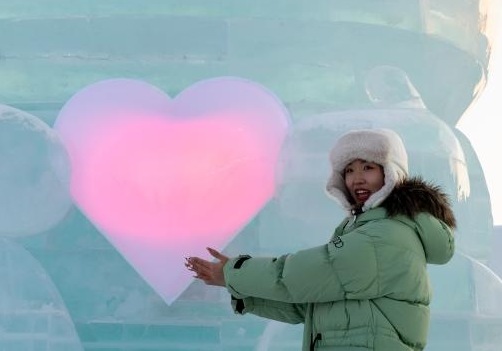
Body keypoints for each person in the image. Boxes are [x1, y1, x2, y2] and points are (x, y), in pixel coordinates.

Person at [185, 128, 456, 351]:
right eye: (349, 170)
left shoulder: (386, 235)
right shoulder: (366, 230)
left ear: (391, 173)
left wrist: (235, 272)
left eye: (368, 167)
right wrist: (241, 290)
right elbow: (312, 304)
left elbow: (302, 276)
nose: (357, 179)